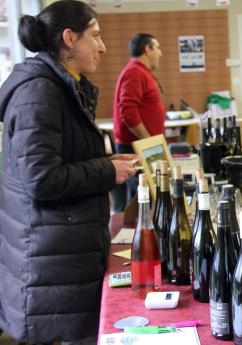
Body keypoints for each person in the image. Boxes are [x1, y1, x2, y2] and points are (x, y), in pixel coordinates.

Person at [0, 1, 136, 344]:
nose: (103, 47)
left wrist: (106, 165)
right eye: (96, 36)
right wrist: (106, 171)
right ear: (69, 39)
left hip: (60, 251)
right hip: (50, 257)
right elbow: (42, 179)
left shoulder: (61, 85)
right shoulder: (40, 92)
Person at [112, 33, 165, 212]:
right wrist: (148, 143)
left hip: (140, 146)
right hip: (135, 149)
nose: (160, 53)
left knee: (143, 203)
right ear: (147, 49)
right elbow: (128, 112)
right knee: (140, 205)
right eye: (157, 47)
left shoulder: (140, 72)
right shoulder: (135, 72)